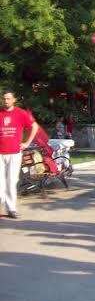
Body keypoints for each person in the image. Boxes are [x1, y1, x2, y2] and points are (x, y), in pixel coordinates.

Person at [0, 91, 39, 219]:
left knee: (11, 181)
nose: (6, 101)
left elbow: (34, 127)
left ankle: (11, 209)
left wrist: (27, 143)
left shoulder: (20, 113)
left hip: (14, 153)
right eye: (4, 98)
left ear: (14, 100)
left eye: (8, 99)